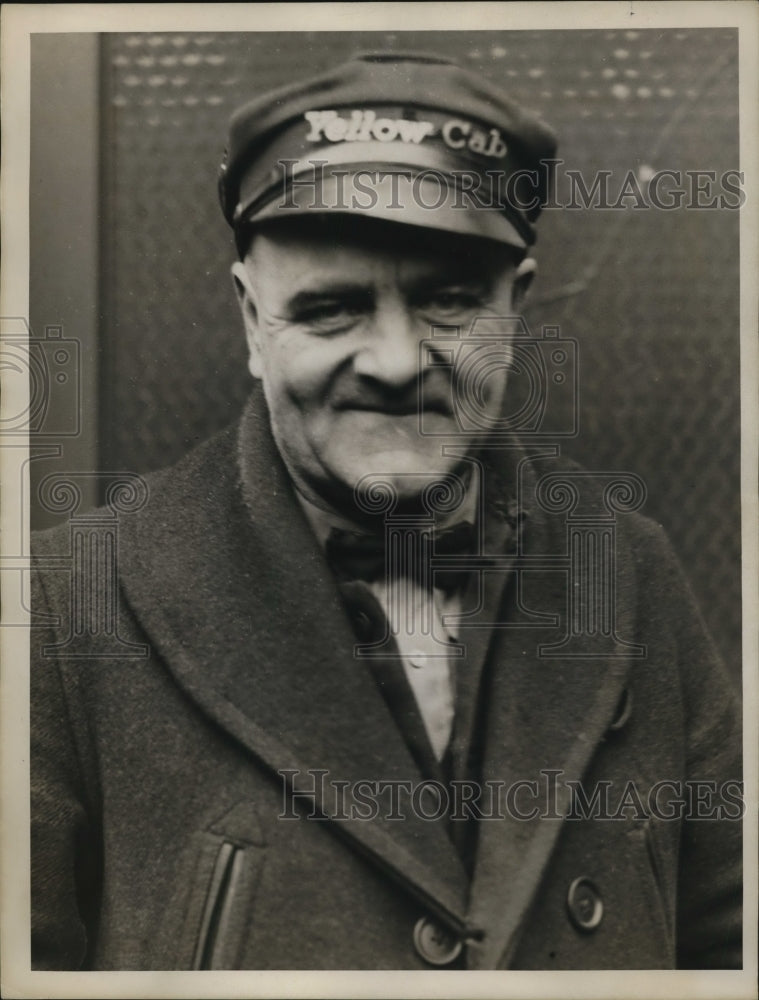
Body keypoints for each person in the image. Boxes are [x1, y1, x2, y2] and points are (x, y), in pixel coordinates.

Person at [31, 51, 742, 971]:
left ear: (515, 305)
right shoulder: (66, 605)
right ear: (253, 322)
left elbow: (733, 945)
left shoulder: (631, 573)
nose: (397, 363)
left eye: (449, 304)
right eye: (330, 310)